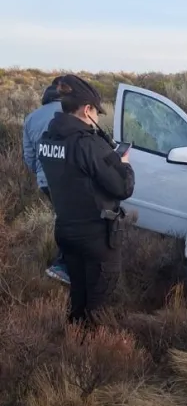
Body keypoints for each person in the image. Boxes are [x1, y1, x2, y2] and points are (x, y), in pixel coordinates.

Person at [38, 75, 135, 326]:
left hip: (67, 231)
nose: (98, 118)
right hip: (97, 238)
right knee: (98, 307)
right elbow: (123, 187)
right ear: (87, 109)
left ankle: (73, 346)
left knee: (77, 298)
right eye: (96, 112)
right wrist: (123, 164)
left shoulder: (48, 139)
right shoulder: (88, 144)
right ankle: (90, 356)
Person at [23, 77, 70, 283]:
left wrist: (41, 173)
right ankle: (63, 265)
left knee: (63, 218)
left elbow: (29, 157)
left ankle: (64, 263)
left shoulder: (31, 118)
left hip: (45, 181)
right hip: (69, 178)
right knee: (73, 221)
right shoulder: (69, 112)